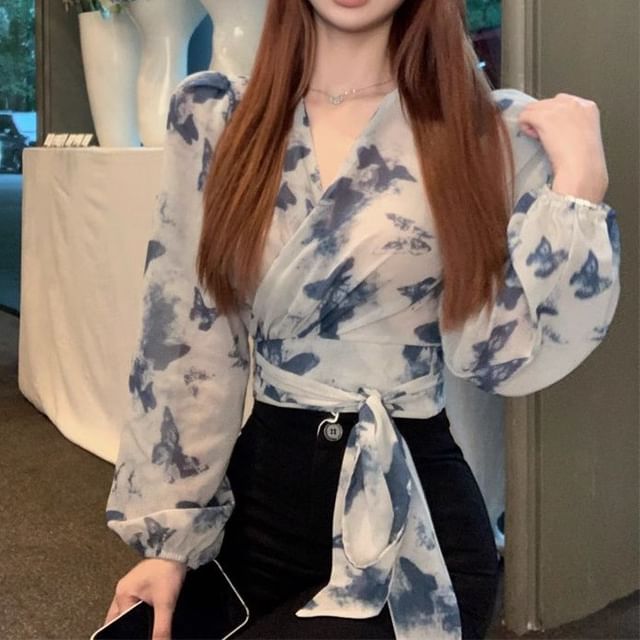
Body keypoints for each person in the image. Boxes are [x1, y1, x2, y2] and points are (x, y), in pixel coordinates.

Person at [102, 1, 621, 639]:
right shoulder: (218, 117)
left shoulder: (483, 130)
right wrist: (169, 541)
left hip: (414, 527)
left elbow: (497, 359)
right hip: (256, 517)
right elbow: (187, 336)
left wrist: (578, 191)